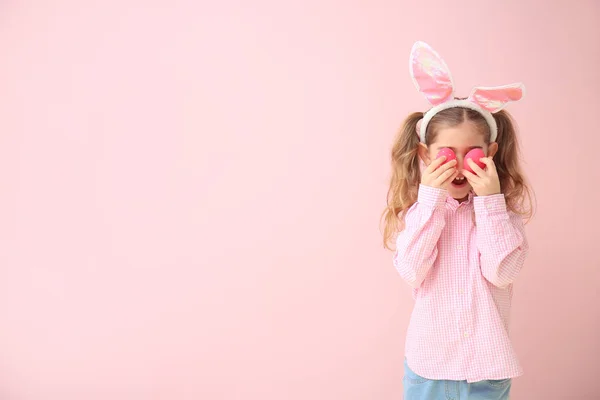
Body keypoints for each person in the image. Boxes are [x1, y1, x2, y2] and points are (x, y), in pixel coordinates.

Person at [382, 41, 533, 399]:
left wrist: (491, 203)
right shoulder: (419, 214)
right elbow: (411, 270)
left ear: (491, 153)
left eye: (473, 154)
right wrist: (431, 200)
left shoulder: (502, 216)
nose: (460, 166)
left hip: (486, 370)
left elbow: (504, 271)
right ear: (425, 155)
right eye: (448, 154)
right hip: (429, 367)